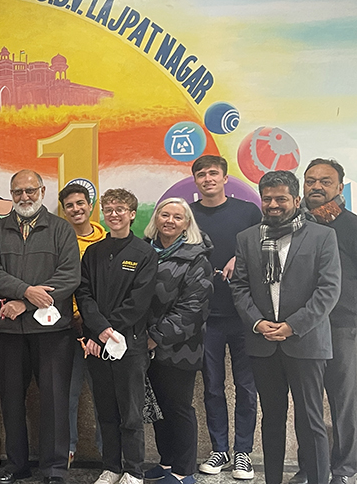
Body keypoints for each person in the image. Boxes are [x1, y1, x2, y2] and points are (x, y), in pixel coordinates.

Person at [231, 170, 341, 484]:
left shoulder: (322, 236)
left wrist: (293, 326)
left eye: (281, 198)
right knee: (272, 420)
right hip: (263, 343)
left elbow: (328, 290)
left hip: (306, 342)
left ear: (296, 199)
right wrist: (257, 322)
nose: (274, 204)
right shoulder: (248, 238)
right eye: (267, 199)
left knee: (310, 421)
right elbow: (239, 287)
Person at [0, 170, 81, 484]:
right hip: (7, 331)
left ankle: (53, 469)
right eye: (17, 192)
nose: (24, 197)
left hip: (52, 332)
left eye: (30, 190)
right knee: (11, 399)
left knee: (54, 400)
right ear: (11, 195)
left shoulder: (61, 229)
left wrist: (25, 302)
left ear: (41, 190)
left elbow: (69, 276)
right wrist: (26, 291)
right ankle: (17, 466)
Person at [76, 189, 157, 484]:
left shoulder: (144, 253)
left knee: (131, 412)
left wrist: (111, 330)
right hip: (98, 345)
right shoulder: (94, 252)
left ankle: (134, 470)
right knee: (106, 410)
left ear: (132, 214)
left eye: (120, 209)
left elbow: (140, 300)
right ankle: (110, 467)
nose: (114, 214)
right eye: (108, 209)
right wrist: (99, 330)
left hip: (129, 345)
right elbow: (83, 294)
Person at [189, 155, 260, 479]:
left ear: (225, 178)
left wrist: (239, 257)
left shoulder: (247, 212)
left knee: (246, 387)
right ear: (196, 181)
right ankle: (219, 450)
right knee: (213, 387)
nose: (208, 179)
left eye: (213, 173)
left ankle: (243, 452)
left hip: (246, 315)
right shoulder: (188, 214)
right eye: (201, 174)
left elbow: (266, 249)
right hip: (207, 316)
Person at [142, 198, 213, 484]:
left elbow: (193, 308)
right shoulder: (144, 251)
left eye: (177, 217)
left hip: (180, 348)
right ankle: (167, 462)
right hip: (145, 346)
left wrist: (156, 337)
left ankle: (184, 471)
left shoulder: (197, 258)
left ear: (187, 224)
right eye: (165, 215)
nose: (170, 220)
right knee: (158, 407)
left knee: (178, 407)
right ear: (156, 218)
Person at [297, 159, 357, 484]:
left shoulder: (352, 226)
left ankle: (345, 469)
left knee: (344, 403)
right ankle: (309, 468)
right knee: (307, 406)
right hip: (303, 328)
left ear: (339, 186)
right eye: (310, 181)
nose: (316, 187)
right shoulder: (295, 227)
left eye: (325, 181)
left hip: (343, 327)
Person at [58, 182, 106, 465]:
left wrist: (92, 321)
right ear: (64, 211)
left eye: (80, 204)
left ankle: (108, 451)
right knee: (66, 394)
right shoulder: (59, 239)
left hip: (98, 330)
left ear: (90, 206)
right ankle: (66, 450)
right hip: (65, 329)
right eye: (69, 206)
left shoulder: (106, 241)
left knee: (104, 394)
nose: (76, 209)